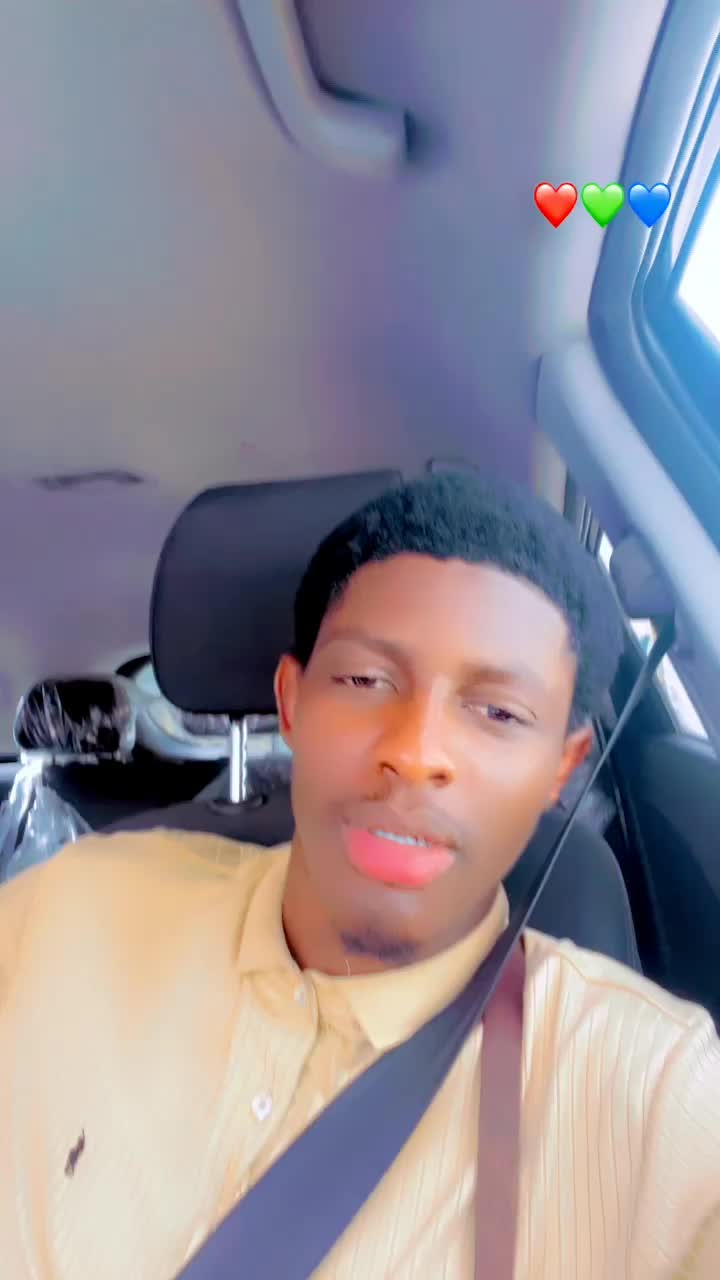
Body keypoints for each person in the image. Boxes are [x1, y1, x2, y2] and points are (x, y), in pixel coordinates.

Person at [1, 472, 718, 1279]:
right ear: (292, 702)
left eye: (498, 713)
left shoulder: (659, 1096)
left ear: (563, 765)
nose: (413, 753)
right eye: (366, 680)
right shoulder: (63, 913)